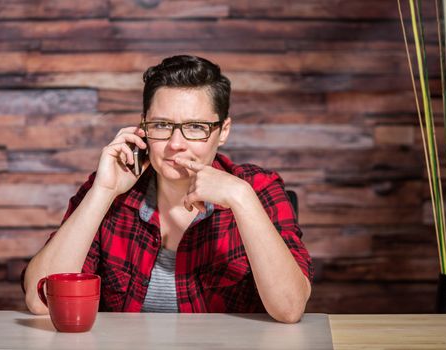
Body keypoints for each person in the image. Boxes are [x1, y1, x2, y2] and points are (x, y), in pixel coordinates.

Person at [23, 55, 313, 323]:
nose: (176, 144)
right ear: (143, 127)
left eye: (196, 127)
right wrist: (103, 190)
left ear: (223, 131)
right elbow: (41, 303)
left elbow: (289, 308)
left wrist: (241, 199)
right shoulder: (111, 190)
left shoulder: (258, 189)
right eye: (161, 125)